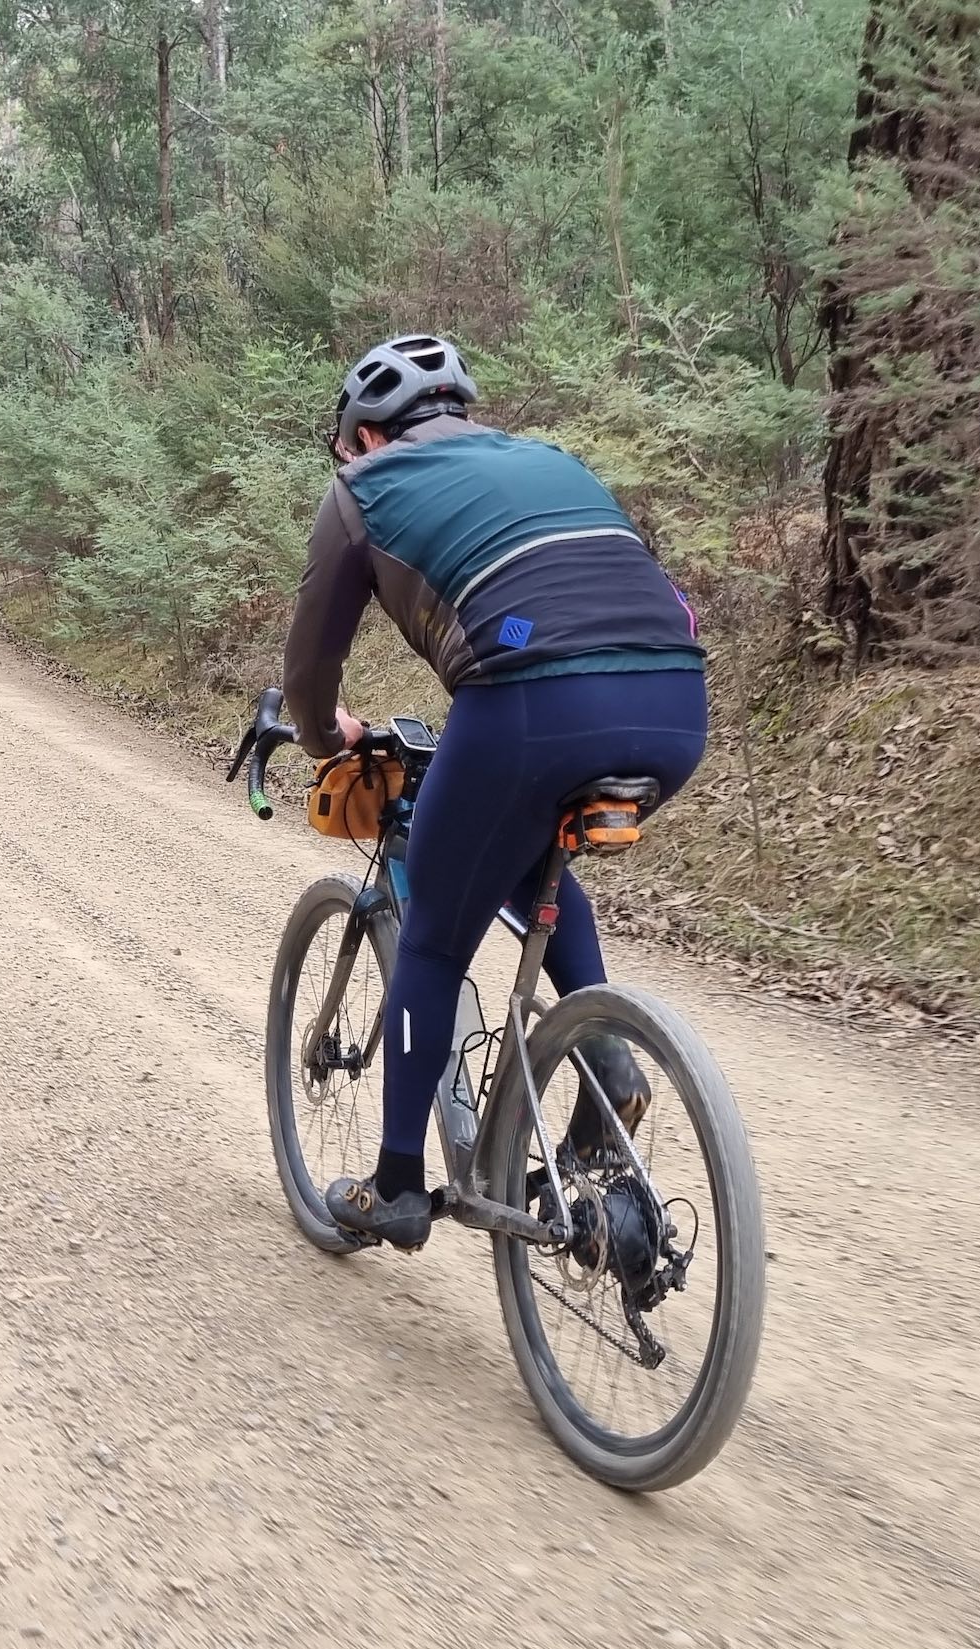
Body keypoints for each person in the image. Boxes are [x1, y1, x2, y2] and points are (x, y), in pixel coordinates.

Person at [284, 334, 709, 1249]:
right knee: (527, 864)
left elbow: (313, 662)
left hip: (531, 703)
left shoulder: (362, 489)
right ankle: (608, 1065)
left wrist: (325, 740)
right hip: (677, 704)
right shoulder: (548, 457)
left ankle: (397, 1185)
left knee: (434, 936)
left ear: (362, 437)